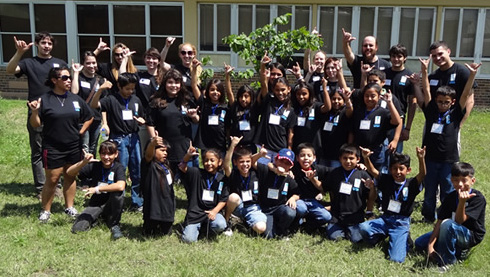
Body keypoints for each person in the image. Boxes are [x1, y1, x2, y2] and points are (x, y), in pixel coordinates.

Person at [6, 32, 68, 198]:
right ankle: (41, 188)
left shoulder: (60, 64)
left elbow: (67, 86)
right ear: (37, 44)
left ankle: (56, 185)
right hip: (36, 111)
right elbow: (10, 70)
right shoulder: (29, 62)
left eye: (49, 43)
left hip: (57, 112)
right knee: (38, 150)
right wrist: (19, 52)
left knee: (57, 150)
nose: (46, 46)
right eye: (43, 43)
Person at [28, 67, 94, 222]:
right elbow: (36, 125)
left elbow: (89, 116)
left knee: (70, 176)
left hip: (72, 146)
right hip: (52, 146)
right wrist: (36, 112)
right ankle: (46, 211)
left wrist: (80, 132)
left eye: (69, 77)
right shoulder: (45, 99)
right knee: (52, 179)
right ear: (54, 80)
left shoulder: (75, 99)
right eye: (65, 78)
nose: (69, 80)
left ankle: (69, 207)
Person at [418, 59, 480, 222]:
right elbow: (426, 90)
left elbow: (466, 94)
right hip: (430, 157)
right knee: (430, 189)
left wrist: (472, 75)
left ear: (452, 102)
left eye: (446, 102)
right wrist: (424, 71)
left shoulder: (455, 112)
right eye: (439, 101)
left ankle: (444, 215)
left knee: (447, 189)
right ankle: (428, 215)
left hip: (449, 159)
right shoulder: (431, 110)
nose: (442, 105)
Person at [415, 162, 486, 272]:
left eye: (464, 180)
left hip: (470, 235)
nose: (460, 184)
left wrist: (462, 202)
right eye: (456, 180)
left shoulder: (477, 199)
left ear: (472, 181)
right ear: (451, 180)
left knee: (448, 224)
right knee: (419, 244)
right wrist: (430, 245)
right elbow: (439, 222)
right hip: (448, 229)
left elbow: (459, 220)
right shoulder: (450, 197)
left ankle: (447, 262)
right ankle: (455, 249)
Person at [359, 147, 426, 263]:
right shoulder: (386, 180)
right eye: (394, 168)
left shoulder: (411, 184)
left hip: (401, 223)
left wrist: (421, 159)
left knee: (396, 259)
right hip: (385, 219)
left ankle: (404, 239)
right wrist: (366, 158)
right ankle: (381, 236)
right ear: (390, 169)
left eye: (401, 169)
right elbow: (372, 170)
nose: (398, 172)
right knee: (363, 228)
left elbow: (423, 174)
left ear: (408, 170)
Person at [90, 72, 146, 211]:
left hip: (133, 138)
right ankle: (115, 201)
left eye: (133, 88)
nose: (130, 91)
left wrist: (141, 121)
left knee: (136, 169)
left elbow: (141, 116)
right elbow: (94, 104)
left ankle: (137, 201)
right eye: (127, 88)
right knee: (118, 169)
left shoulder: (135, 100)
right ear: (119, 86)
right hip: (118, 139)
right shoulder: (111, 99)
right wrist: (101, 89)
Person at [68, 141, 126, 240]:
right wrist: (84, 162)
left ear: (116, 154)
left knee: (118, 193)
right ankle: (99, 219)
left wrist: (97, 189)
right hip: (96, 204)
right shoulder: (95, 166)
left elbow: (121, 186)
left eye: (110, 154)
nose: (106, 157)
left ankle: (114, 224)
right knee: (78, 228)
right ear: (99, 154)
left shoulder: (118, 167)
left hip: (111, 203)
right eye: (103, 154)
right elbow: (70, 172)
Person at [147, 69, 199, 175]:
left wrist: (194, 116)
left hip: (184, 148)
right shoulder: (156, 101)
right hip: (165, 147)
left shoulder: (186, 100)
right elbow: (150, 123)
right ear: (165, 83)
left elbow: (196, 120)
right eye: (170, 82)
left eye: (177, 83)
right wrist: (155, 141)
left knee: (185, 184)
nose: (174, 86)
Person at [324, 144, 376, 242]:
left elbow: (372, 197)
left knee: (357, 239)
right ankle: (342, 230)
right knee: (334, 237)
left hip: (355, 217)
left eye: (351, 158)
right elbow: (326, 188)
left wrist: (372, 188)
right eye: (345, 158)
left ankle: (351, 231)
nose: (348, 161)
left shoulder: (363, 174)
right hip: (337, 217)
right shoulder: (334, 173)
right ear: (340, 159)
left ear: (358, 159)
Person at [179, 145, 229, 243]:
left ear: (219, 162)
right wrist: (188, 155)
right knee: (188, 240)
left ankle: (206, 227)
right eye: (206, 160)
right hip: (195, 213)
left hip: (212, 213)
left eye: (212, 160)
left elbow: (223, 200)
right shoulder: (197, 173)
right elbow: (182, 167)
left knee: (221, 224)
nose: (209, 163)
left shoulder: (222, 178)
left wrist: (214, 211)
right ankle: (196, 227)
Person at [350, 83, 402, 171]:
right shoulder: (358, 112)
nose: (369, 99)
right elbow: (351, 131)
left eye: (373, 96)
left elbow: (396, 121)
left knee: (376, 177)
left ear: (378, 97)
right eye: (366, 96)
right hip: (359, 151)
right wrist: (351, 147)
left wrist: (389, 103)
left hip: (376, 152)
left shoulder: (383, 112)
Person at [222, 136, 267, 236]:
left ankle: (245, 222)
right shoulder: (233, 174)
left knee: (261, 228)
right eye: (241, 162)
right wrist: (233, 145)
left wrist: (259, 155)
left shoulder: (256, 172)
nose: (245, 164)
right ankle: (226, 222)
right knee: (233, 197)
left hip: (253, 207)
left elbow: (252, 159)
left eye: (247, 162)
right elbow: (226, 165)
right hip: (238, 207)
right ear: (235, 163)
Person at [425, 41, 478, 126]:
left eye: (440, 54)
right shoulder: (432, 76)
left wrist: (459, 124)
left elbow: (470, 100)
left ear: (448, 52)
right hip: (433, 122)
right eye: (434, 56)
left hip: (453, 124)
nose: (438, 58)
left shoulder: (462, 73)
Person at [71, 51, 113, 157]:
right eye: (88, 63)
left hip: (96, 118)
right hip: (82, 119)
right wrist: (75, 73)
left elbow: (104, 105)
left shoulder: (101, 80)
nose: (91, 66)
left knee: (93, 147)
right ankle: (82, 170)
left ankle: (91, 170)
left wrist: (105, 122)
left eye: (94, 63)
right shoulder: (79, 78)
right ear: (83, 64)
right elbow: (74, 92)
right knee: (84, 147)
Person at [383, 44, 420, 150]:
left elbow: (413, 103)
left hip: (399, 120)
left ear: (405, 58)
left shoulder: (409, 76)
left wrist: (407, 128)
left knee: (395, 154)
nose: (396, 59)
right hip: (383, 118)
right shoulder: (383, 74)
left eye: (399, 56)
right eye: (393, 56)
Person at [258, 148, 299, 239]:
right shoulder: (266, 170)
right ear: (276, 159)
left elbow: (297, 193)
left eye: (287, 163)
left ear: (291, 166)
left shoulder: (289, 178)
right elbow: (253, 164)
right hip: (265, 209)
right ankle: (272, 226)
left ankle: (282, 230)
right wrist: (259, 155)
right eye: (281, 161)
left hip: (279, 208)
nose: (283, 164)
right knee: (269, 236)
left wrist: (293, 198)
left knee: (290, 212)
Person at [255, 74, 296, 165]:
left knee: (277, 174)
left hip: (280, 148)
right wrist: (263, 67)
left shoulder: (291, 110)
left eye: (283, 90)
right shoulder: (269, 102)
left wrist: (289, 149)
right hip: (265, 147)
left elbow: (290, 132)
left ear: (288, 89)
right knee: (263, 173)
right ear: (273, 90)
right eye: (277, 90)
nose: (280, 93)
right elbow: (263, 85)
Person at [190, 59, 229, 154]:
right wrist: (194, 69)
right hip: (205, 144)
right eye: (212, 90)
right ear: (208, 91)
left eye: (218, 90)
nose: (215, 92)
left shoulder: (225, 107)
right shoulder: (204, 103)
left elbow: (227, 127)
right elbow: (194, 86)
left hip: (220, 144)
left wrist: (227, 76)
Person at [141, 132, 175, 236]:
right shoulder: (149, 165)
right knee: (150, 232)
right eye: (162, 150)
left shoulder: (166, 166)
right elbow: (148, 155)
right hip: (153, 210)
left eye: (166, 151)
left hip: (166, 209)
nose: (165, 153)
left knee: (166, 233)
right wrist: (152, 144)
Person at [293, 143, 332, 233]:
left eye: (309, 155)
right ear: (297, 158)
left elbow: (337, 171)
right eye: (302, 155)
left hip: (313, 201)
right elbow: (272, 165)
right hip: (299, 200)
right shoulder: (293, 168)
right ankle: (296, 223)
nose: (306, 158)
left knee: (326, 217)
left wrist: (357, 166)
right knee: (301, 209)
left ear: (314, 158)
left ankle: (307, 225)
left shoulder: (318, 169)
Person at [133, 48, 164, 151]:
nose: (151, 61)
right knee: (145, 150)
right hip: (144, 120)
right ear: (144, 59)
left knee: (161, 150)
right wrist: (125, 58)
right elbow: (122, 76)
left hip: (161, 119)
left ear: (159, 61)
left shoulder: (164, 78)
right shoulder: (139, 76)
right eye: (148, 58)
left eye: (154, 58)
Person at [225, 64, 259, 153]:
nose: (243, 99)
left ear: (251, 97)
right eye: (241, 96)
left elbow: (263, 90)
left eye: (246, 96)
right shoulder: (235, 106)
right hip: (237, 146)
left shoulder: (254, 108)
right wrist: (227, 76)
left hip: (250, 145)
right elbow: (229, 93)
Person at [291, 81, 331, 155]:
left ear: (310, 94)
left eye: (304, 94)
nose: (301, 97)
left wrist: (324, 89)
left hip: (314, 147)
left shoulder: (315, 106)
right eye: (298, 94)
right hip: (298, 148)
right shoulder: (294, 108)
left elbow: (327, 107)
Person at [319, 87, 353, 168]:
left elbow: (350, 111)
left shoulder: (345, 112)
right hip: (324, 153)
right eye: (333, 99)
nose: (336, 101)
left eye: (339, 99)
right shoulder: (326, 112)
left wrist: (347, 99)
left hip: (338, 154)